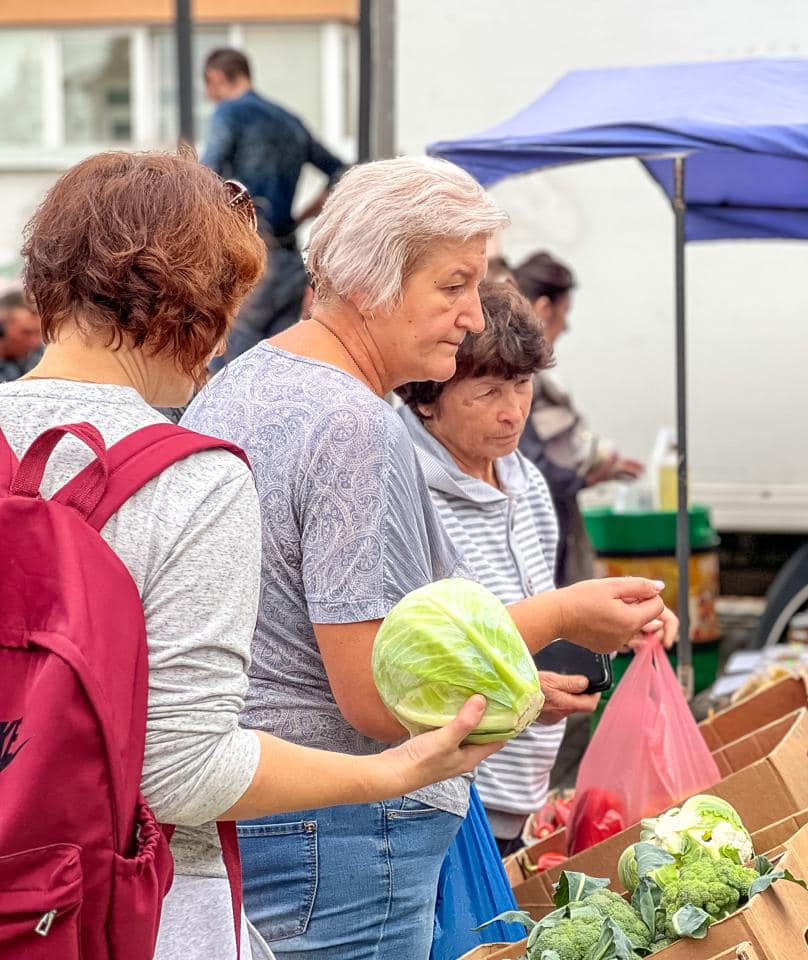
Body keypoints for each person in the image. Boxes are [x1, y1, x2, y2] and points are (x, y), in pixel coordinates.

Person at [3, 149, 504, 959]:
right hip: (118, 901)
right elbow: (182, 769)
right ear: (196, 305)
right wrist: (391, 774)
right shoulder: (186, 475)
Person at [182, 155, 675, 960]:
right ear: (373, 282)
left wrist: (509, 685)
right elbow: (377, 689)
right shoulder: (355, 426)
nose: (475, 317)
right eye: (453, 286)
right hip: (340, 839)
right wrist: (561, 612)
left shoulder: (242, 382)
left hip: (265, 821)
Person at [398, 280, 605, 854]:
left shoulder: (524, 478)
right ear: (426, 396)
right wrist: (520, 695)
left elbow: (536, 612)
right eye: (487, 391)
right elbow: (411, 663)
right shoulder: (405, 487)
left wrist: (617, 629)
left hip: (524, 797)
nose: (512, 411)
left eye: (521, 385)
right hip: (451, 802)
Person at [201, 48, 345, 367]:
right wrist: (302, 216)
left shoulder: (229, 112)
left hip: (252, 259)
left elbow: (203, 176)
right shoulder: (288, 120)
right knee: (276, 365)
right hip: (291, 261)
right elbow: (340, 172)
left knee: (226, 363)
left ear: (215, 78)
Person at [513, 251, 644, 585]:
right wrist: (585, 479)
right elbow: (532, 466)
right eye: (564, 314)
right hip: (534, 531)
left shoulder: (529, 374)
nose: (566, 327)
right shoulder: (518, 375)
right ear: (543, 309)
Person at [0, 289, 43, 382]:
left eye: (38, 333)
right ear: (2, 328)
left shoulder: (39, 355)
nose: (34, 342)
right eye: (26, 333)